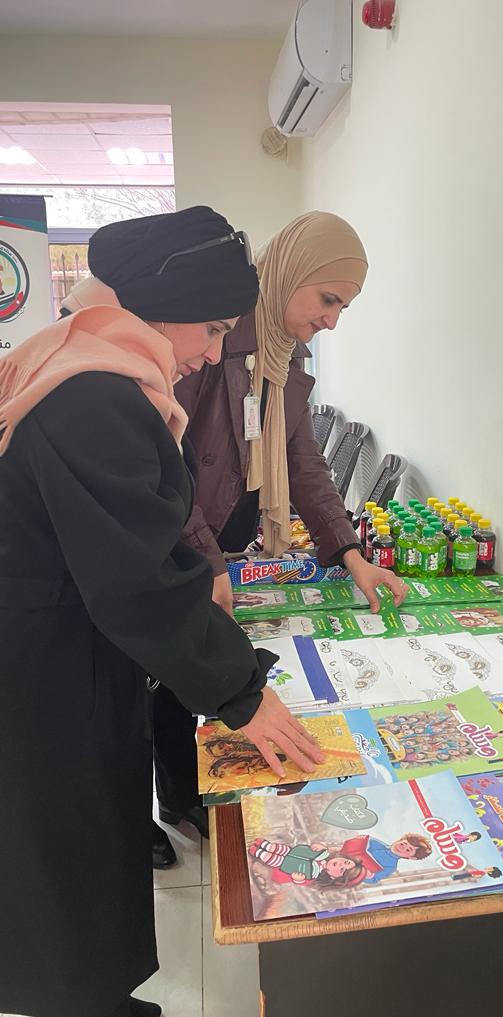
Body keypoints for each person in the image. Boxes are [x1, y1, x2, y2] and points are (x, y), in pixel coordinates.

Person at [0, 206, 324, 1017]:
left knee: (90, 838)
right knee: (65, 851)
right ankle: (85, 1009)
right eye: (210, 330)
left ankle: (99, 1001)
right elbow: (136, 580)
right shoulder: (94, 397)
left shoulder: (84, 361)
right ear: (163, 307)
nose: (212, 354)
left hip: (67, 645)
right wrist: (243, 692)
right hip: (45, 668)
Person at [152, 212, 410, 866]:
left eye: (343, 306)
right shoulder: (213, 337)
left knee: (203, 664)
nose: (332, 320)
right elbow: (165, 460)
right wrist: (206, 560)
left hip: (228, 531)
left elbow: (303, 460)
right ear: (289, 275)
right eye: (328, 299)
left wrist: (349, 552)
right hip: (177, 530)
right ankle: (170, 798)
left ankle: (192, 786)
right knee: (164, 669)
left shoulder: (285, 355)